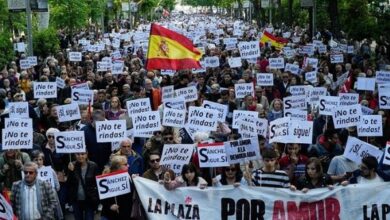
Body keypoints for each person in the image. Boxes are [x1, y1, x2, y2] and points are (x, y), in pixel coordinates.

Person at [67, 152, 99, 220]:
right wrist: (71, 172)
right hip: (76, 200)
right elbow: (69, 183)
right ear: (75, 155)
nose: (80, 156)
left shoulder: (93, 165)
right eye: (78, 154)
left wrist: (96, 199)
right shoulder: (71, 165)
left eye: (82, 154)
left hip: (89, 200)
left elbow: (97, 183)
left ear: (87, 154)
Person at [100, 155, 133, 220]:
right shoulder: (106, 178)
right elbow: (101, 197)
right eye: (125, 164)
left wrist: (133, 180)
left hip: (125, 214)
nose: (128, 166)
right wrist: (110, 206)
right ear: (118, 167)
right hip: (109, 215)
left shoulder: (128, 175)